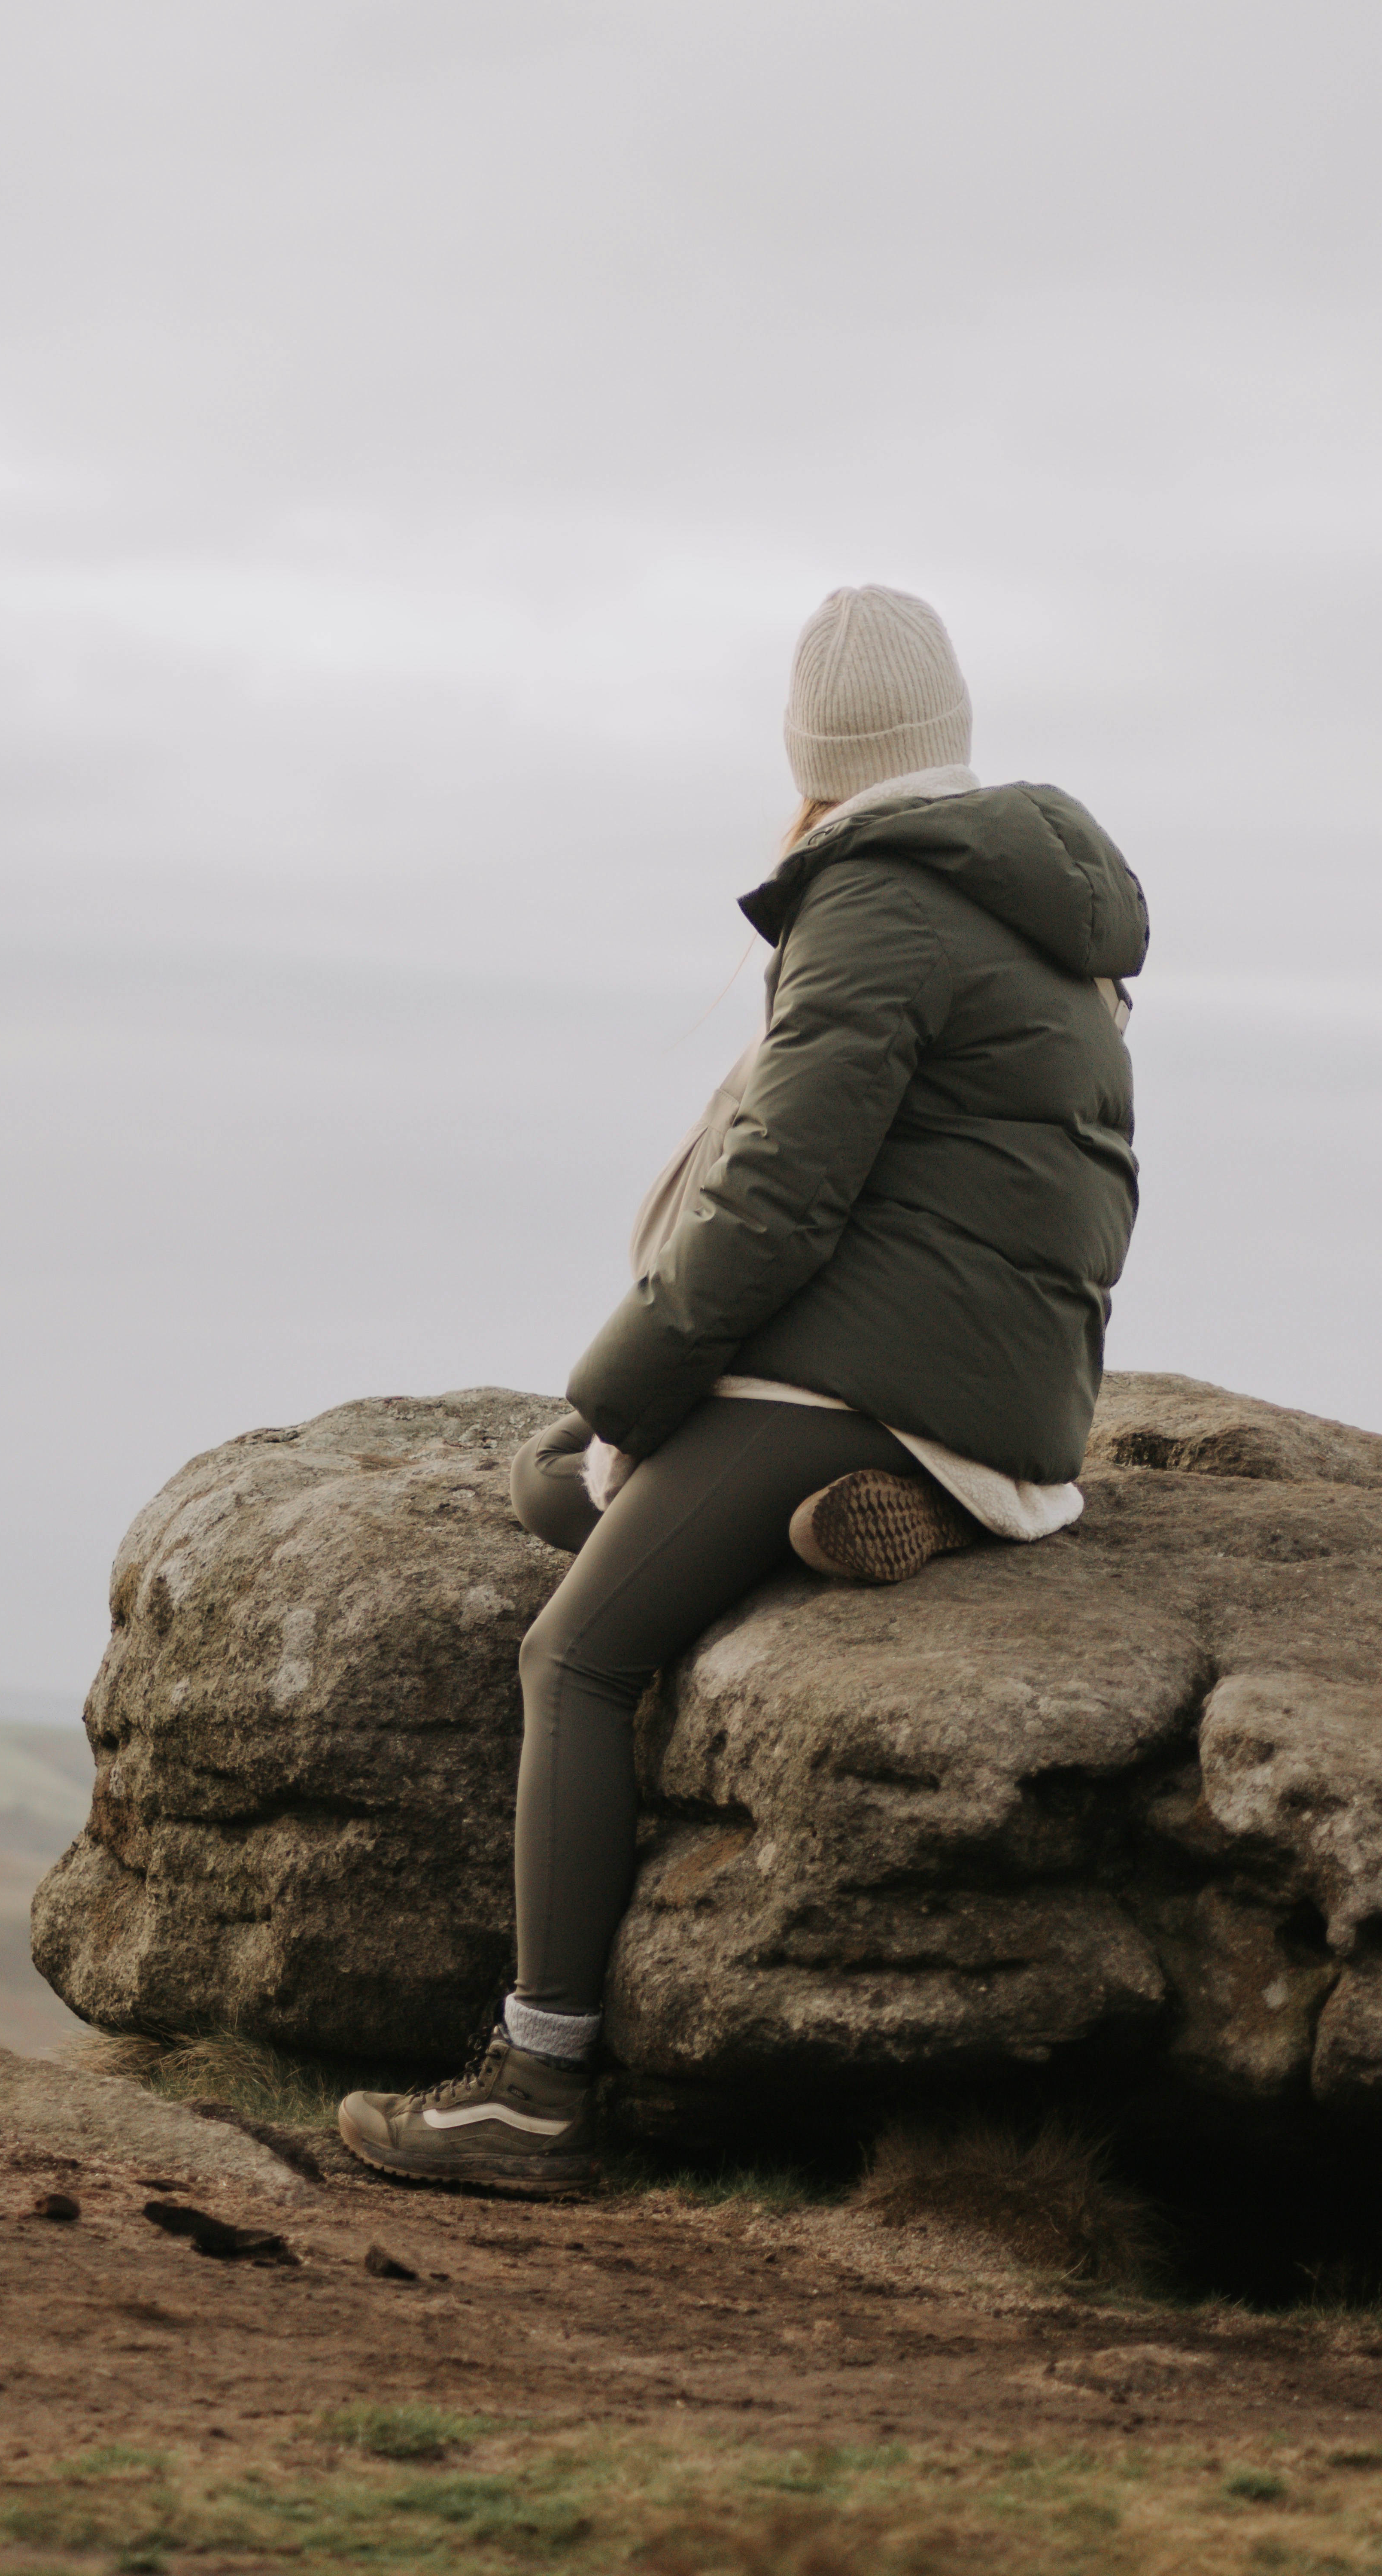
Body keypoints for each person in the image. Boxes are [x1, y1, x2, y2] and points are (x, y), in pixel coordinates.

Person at [339, 584, 1148, 2194]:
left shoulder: (879, 901)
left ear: (815, 750)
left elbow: (774, 1198)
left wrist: (625, 1393)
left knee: (572, 1647)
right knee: (544, 1482)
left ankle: (533, 2090)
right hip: (1008, 1391)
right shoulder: (1053, 915)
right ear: (952, 730)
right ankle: (869, 1512)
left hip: (861, 1372)